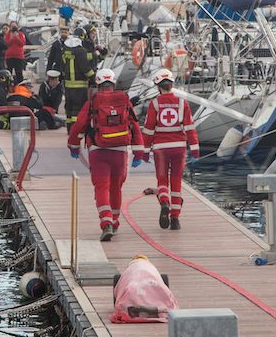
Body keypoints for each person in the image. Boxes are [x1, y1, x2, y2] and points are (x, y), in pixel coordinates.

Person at [67, 68, 145, 241]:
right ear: (113, 83)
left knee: (102, 187)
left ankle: (106, 222)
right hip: (120, 151)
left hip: (98, 151)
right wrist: (138, 152)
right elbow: (134, 126)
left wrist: (73, 146)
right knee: (116, 188)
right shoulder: (124, 100)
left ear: (98, 84)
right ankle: (114, 222)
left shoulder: (93, 102)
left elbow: (79, 125)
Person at [141, 69, 199, 231]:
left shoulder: (154, 104)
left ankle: (164, 202)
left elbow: (148, 130)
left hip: (160, 149)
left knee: (162, 181)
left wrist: (144, 151)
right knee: (176, 182)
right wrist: (195, 149)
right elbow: (190, 128)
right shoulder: (182, 103)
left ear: (158, 86)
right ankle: (175, 219)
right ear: (172, 84)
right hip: (179, 148)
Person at [60, 35, 94, 128]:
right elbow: (86, 69)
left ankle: (69, 128)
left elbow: (62, 67)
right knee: (78, 108)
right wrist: (93, 78)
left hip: (68, 86)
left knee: (69, 108)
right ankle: (76, 128)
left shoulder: (65, 51)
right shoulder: (81, 51)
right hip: (80, 86)